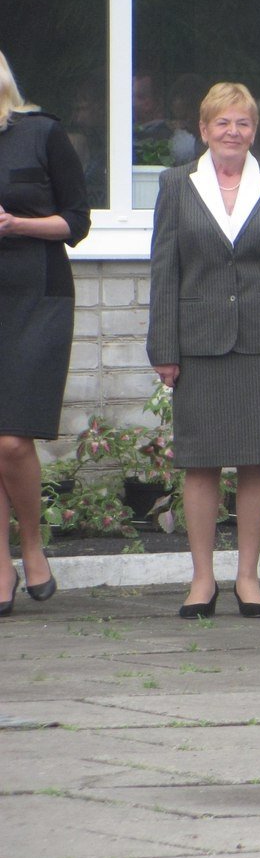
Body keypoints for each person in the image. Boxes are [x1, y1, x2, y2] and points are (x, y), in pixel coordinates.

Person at [147, 82, 260, 619]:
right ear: (203, 129)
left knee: (255, 462)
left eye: (242, 123)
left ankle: (247, 577)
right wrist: (163, 346)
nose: (232, 132)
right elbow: (163, 271)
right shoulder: (176, 185)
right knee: (200, 464)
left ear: (254, 131)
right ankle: (201, 579)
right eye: (222, 123)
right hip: (198, 342)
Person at [0, 50, 90, 617]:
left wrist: (15, 224)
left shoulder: (42, 132)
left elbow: (76, 222)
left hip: (38, 293)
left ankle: (32, 543)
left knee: (12, 438)